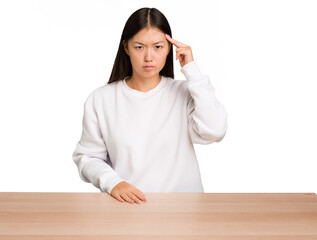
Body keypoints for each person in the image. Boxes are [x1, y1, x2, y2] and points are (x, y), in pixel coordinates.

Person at [72, 7, 228, 204]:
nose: (149, 57)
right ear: (126, 47)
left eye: (158, 47)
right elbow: (87, 157)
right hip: (128, 209)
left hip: (185, 211)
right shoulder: (101, 99)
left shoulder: (185, 92)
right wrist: (113, 183)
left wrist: (191, 69)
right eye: (139, 47)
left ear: (169, 48)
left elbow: (215, 130)